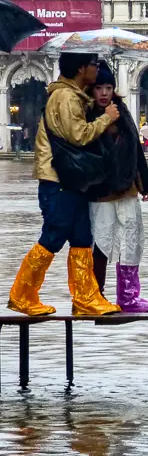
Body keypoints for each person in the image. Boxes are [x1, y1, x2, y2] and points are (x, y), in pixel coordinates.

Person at [7, 53, 121, 316]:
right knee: (53, 236)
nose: (97, 70)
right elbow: (79, 136)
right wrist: (106, 119)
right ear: (82, 68)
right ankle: (22, 294)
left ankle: (85, 297)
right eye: (94, 65)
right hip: (57, 181)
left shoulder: (74, 96)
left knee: (82, 238)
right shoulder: (65, 97)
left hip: (72, 182)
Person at [87, 62, 148, 313]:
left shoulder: (123, 111)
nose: (104, 93)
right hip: (101, 192)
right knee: (102, 243)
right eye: (99, 88)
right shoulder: (87, 114)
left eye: (108, 87)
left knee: (131, 239)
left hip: (127, 188)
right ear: (91, 90)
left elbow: (136, 149)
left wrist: (145, 183)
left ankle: (128, 297)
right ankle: (97, 294)